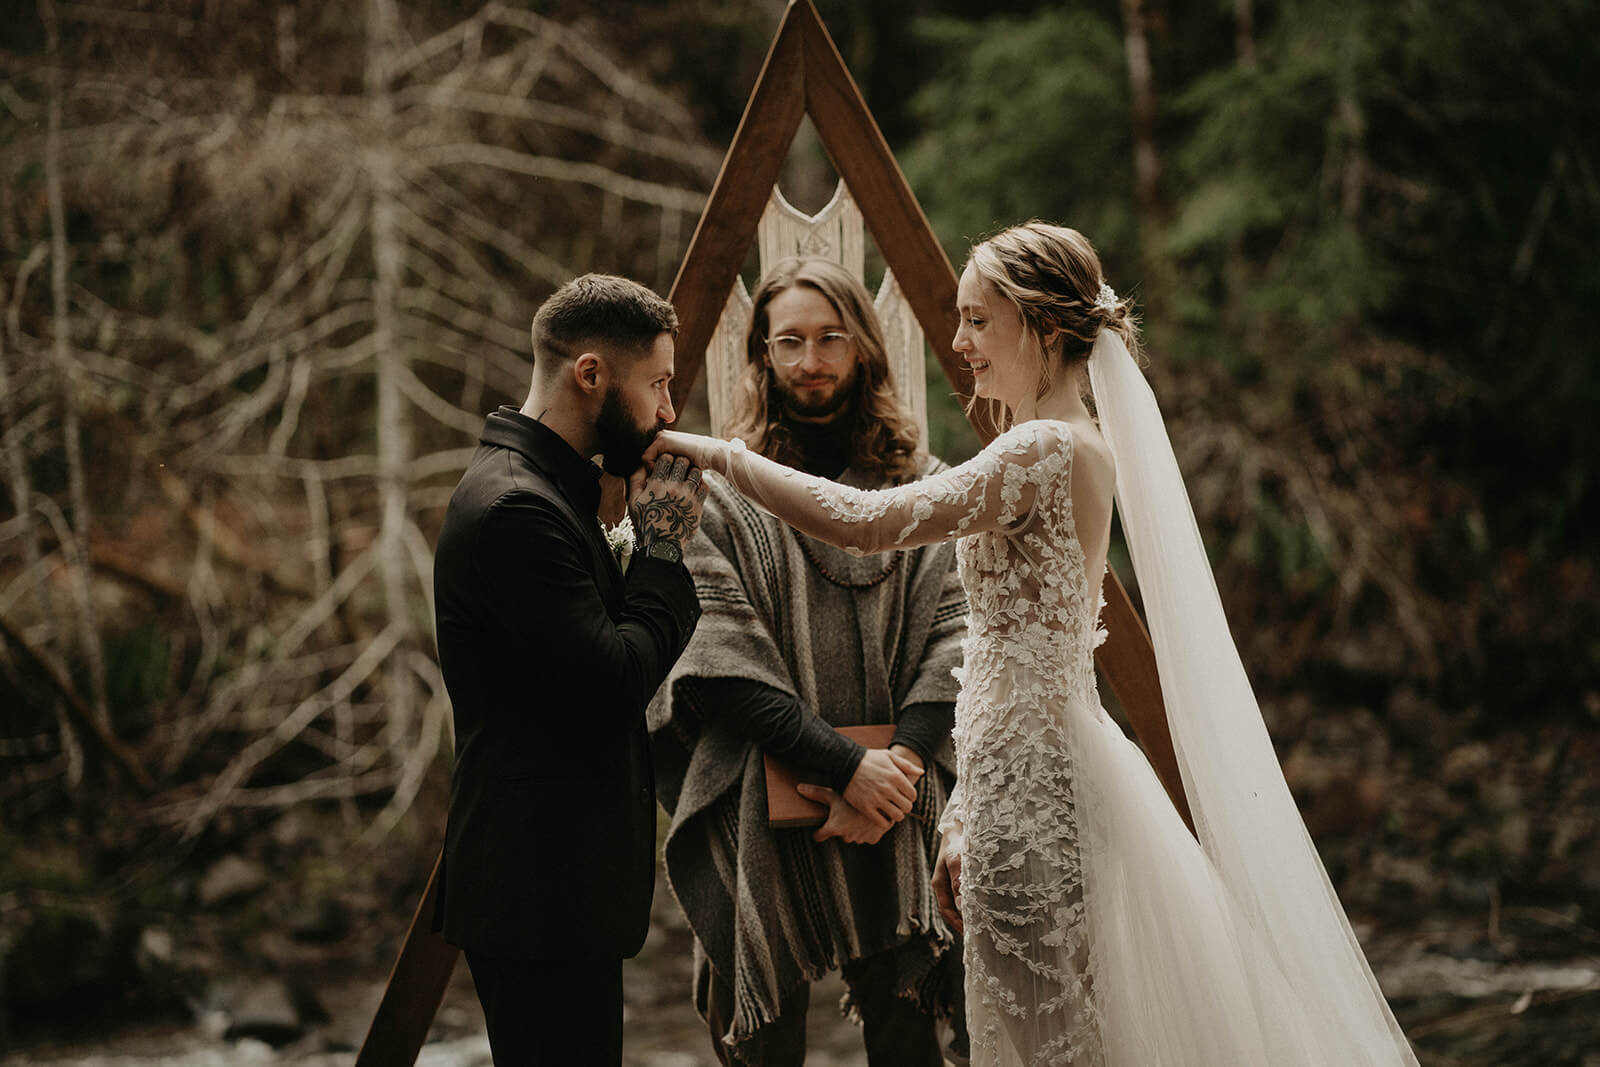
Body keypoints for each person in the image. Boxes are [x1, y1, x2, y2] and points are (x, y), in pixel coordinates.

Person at [643, 224, 1420, 1065]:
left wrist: (712, 452)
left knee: (1046, 1041)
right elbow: (1021, 656)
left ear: (1042, 330)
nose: (959, 343)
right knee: (1047, 1027)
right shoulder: (1071, 443)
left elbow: (865, 524)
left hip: (1032, 786)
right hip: (1028, 772)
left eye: (979, 321)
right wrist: (964, 814)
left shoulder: (1040, 447)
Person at [647, 257, 968, 1065]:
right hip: (765, 789)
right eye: (788, 341)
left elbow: (957, 637)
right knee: (766, 1040)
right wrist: (842, 766)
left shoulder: (922, 488)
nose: (811, 360)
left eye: (830, 339)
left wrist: (894, 767)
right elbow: (717, 652)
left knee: (908, 1033)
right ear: (761, 354)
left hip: (903, 797)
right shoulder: (723, 494)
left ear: (862, 347)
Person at [432, 273, 707, 1065]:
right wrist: (659, 544)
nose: (667, 412)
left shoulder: (548, 490)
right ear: (590, 374)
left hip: (555, 890)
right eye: (657, 383)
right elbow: (613, 681)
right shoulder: (517, 509)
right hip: (536, 890)